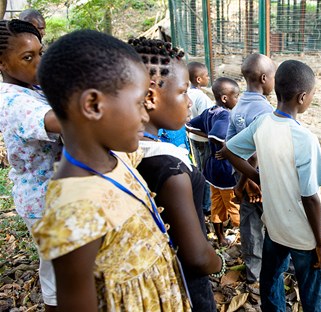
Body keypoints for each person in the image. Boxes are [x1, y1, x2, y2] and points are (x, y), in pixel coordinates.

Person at [31, 30, 190, 311]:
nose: (145, 114)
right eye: (140, 103)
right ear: (93, 105)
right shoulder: (75, 208)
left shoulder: (115, 158)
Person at [221, 60, 321, 311]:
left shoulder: (263, 124)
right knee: (312, 294)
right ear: (303, 97)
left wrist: (258, 177)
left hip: (273, 227)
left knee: (270, 280)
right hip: (303, 236)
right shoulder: (305, 139)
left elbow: (229, 151)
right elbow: (310, 197)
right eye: (312, 94)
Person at [128, 37, 224, 312]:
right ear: (150, 96)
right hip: (185, 287)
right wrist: (217, 263)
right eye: (183, 92)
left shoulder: (126, 152)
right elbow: (195, 256)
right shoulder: (171, 170)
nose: (189, 103)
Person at [0, 19, 61, 311]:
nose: (39, 62)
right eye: (28, 57)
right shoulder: (12, 100)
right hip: (43, 203)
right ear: (2, 63)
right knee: (58, 280)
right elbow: (58, 121)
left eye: (41, 53)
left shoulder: (32, 87)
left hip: (54, 197)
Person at [225, 53, 276, 284]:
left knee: (250, 224)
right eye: (273, 76)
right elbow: (257, 153)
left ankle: (254, 272)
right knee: (276, 220)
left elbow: (230, 147)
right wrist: (252, 181)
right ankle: (284, 268)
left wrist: (241, 183)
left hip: (243, 176)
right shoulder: (266, 111)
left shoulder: (238, 107)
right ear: (265, 78)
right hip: (261, 179)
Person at [187, 77, 240, 246]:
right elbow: (217, 135)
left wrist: (209, 136)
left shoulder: (209, 111)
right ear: (225, 98)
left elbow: (190, 126)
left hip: (212, 169)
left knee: (217, 204)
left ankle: (220, 238)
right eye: (236, 96)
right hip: (225, 169)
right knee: (234, 205)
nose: (237, 100)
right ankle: (246, 240)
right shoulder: (225, 115)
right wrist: (226, 148)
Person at [186, 61, 214, 214]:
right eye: (206, 76)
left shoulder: (187, 93)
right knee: (207, 173)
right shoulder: (200, 97)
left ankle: (203, 204)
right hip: (203, 139)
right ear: (198, 79)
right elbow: (208, 120)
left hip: (193, 137)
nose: (208, 78)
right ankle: (207, 206)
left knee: (200, 169)